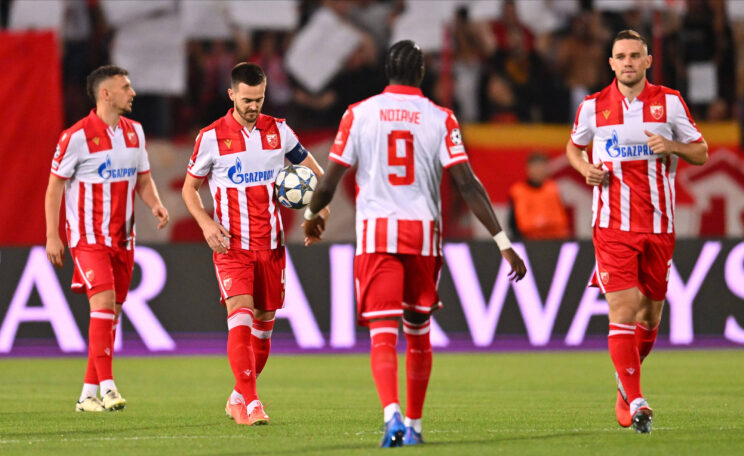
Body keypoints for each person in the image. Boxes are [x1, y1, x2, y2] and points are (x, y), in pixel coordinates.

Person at [302, 40, 527, 447]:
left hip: (377, 234)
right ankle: (417, 426)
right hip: (423, 235)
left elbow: (331, 179)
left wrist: (311, 216)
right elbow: (467, 184)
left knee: (382, 330)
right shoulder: (441, 117)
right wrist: (501, 239)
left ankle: (392, 414)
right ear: (421, 73)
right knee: (418, 330)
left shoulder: (359, 113)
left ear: (386, 70)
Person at [565, 30, 708, 434]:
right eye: (620, 56)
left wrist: (673, 146)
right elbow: (573, 148)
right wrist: (584, 170)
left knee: (651, 314)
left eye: (634, 56)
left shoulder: (671, 102)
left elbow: (701, 152)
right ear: (610, 63)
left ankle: (625, 385)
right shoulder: (592, 107)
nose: (627, 62)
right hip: (611, 225)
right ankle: (638, 396)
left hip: (659, 223)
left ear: (648, 61)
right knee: (623, 310)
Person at [182, 62, 328, 426]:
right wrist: (205, 224)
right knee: (241, 321)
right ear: (231, 94)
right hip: (231, 246)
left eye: (259, 99)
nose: (253, 106)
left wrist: (314, 215)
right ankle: (252, 403)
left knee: (263, 329)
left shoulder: (279, 131)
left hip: (272, 245)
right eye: (247, 100)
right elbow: (189, 189)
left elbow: (315, 175)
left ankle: (237, 397)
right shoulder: (212, 137)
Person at [45, 65, 170, 412]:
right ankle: (109, 386)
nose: (132, 92)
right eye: (125, 87)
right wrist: (52, 235)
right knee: (102, 305)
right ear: (106, 94)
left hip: (123, 239)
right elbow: (55, 185)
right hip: (87, 238)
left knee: (110, 315)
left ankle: (87, 395)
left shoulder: (136, 133)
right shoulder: (76, 137)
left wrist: (156, 204)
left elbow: (142, 178)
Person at [508, 152, 570, 240]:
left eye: (542, 167)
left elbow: (561, 220)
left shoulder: (553, 189)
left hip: (554, 241)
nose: (539, 171)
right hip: (528, 241)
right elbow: (513, 224)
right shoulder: (518, 191)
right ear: (528, 168)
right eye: (535, 167)